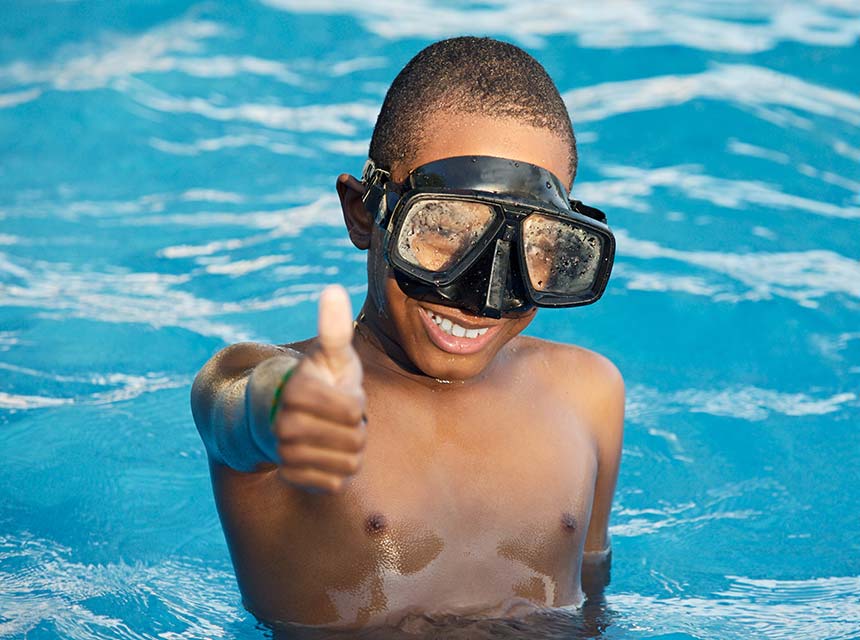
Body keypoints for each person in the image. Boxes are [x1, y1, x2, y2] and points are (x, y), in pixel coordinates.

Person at [191, 36, 624, 632]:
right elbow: (231, 408)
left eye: (536, 245)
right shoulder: (276, 393)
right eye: (445, 228)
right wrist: (283, 403)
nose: (485, 295)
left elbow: (594, 598)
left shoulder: (589, 392)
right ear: (364, 213)